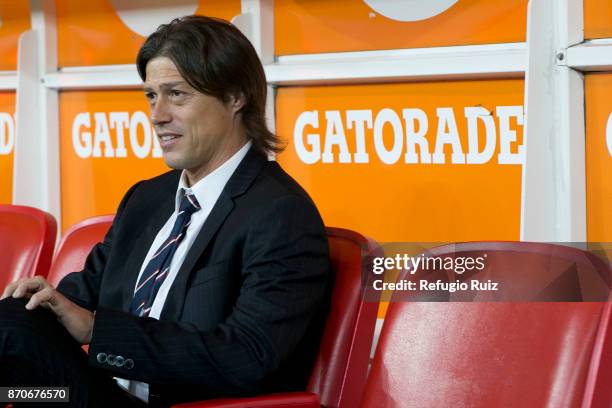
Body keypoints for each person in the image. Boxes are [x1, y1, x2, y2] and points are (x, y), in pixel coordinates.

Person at [0, 15, 331, 408]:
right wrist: (45, 302)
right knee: (18, 338)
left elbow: (247, 356)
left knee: (9, 331)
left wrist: (94, 329)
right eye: (151, 96)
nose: (157, 115)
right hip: (88, 395)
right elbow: (83, 295)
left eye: (176, 94)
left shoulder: (281, 214)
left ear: (235, 96)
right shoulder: (147, 199)